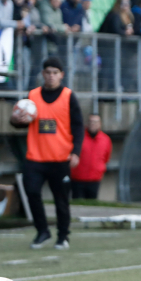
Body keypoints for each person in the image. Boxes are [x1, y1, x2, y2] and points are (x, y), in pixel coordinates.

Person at [10, 57, 84, 250]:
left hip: (60, 159)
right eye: (48, 72)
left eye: (55, 73)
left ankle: (63, 236)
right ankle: (42, 231)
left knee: (61, 200)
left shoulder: (68, 96)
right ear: (42, 74)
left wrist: (75, 152)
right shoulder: (32, 96)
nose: (51, 76)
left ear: (61, 75)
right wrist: (16, 119)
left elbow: (78, 127)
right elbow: (19, 123)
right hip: (36, 157)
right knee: (32, 192)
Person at [69, 114, 112, 199]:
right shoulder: (79, 137)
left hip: (95, 179)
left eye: (95, 122)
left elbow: (106, 157)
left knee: (92, 202)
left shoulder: (106, 139)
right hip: (78, 178)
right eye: (91, 122)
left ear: (100, 124)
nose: (93, 124)